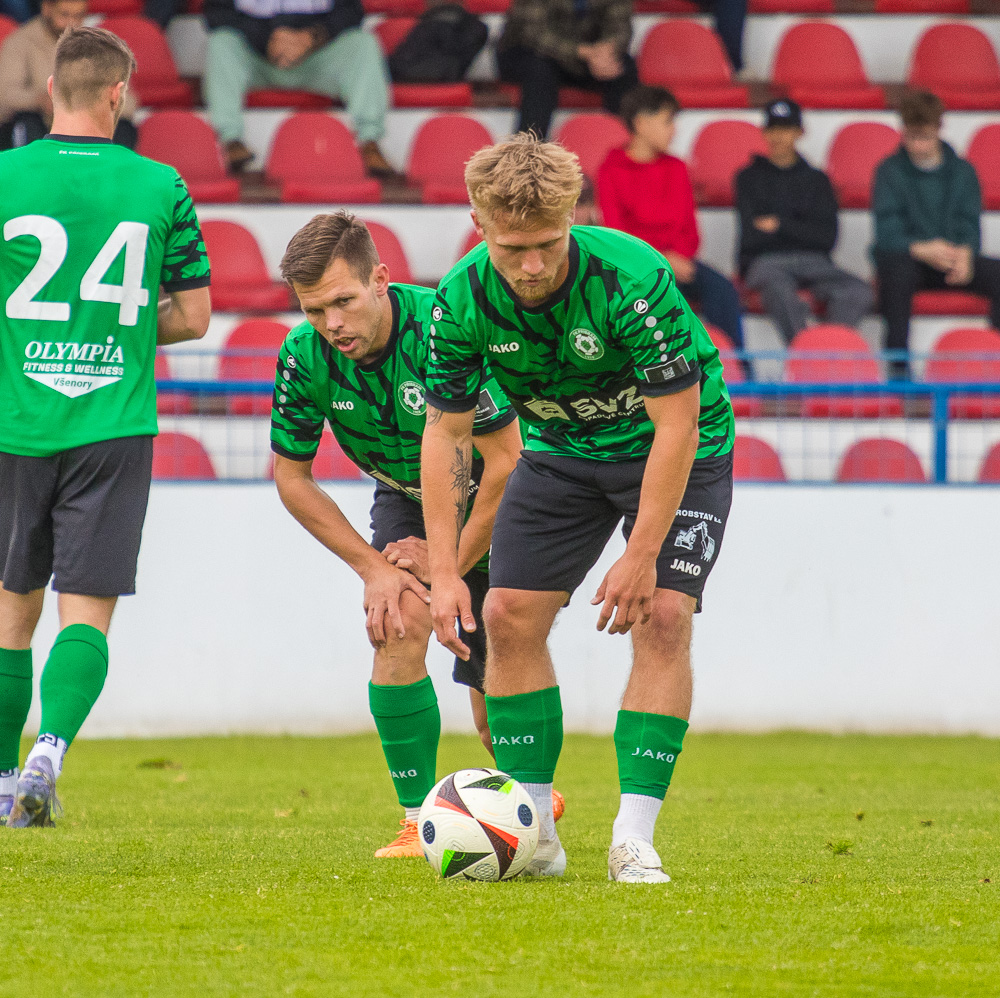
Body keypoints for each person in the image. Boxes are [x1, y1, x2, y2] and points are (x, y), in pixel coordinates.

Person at [420, 134, 734, 883]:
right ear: (478, 224)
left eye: (548, 245)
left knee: (664, 616)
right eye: (513, 249)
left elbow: (678, 426)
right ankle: (532, 835)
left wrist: (642, 553)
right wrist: (445, 569)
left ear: (575, 218)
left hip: (675, 450)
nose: (532, 266)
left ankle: (634, 837)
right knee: (505, 615)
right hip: (560, 452)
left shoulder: (633, 279)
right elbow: (447, 434)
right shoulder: (459, 300)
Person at [270, 212, 561, 858]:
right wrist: (375, 569)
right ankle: (414, 820)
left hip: (505, 496)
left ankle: (531, 802)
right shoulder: (302, 355)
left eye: (344, 301)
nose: (331, 324)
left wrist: (445, 562)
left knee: (494, 699)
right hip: (407, 499)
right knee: (396, 620)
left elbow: (508, 461)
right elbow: (291, 478)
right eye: (315, 310)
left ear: (380, 279)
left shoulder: (443, 327)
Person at [0, 26, 211, 827]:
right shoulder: (161, 184)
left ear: (51, 89)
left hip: (15, 424)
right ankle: (49, 754)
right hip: (113, 425)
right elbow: (194, 314)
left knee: (10, 615)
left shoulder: (5, 176)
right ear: (119, 94)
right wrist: (112, 334)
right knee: (84, 610)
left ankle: (2, 781)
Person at [598, 85, 745, 349]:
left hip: (680, 264)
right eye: (667, 121)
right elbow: (617, 236)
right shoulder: (610, 171)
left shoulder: (677, 168)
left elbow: (691, 231)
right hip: (636, 271)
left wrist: (677, 258)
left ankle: (735, 368)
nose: (674, 130)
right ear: (641, 124)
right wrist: (663, 260)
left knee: (723, 290)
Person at [873, 89, 1000, 380]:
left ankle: (994, 363)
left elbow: (969, 222)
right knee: (895, 275)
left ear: (939, 129)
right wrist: (920, 248)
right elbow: (886, 231)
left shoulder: (963, 171)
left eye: (925, 137)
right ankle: (899, 371)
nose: (918, 145)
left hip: (952, 261)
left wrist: (966, 253)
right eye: (912, 137)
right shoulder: (889, 171)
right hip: (908, 261)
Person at [735, 99, 873, 344]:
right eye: (773, 129)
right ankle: (805, 356)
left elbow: (827, 239)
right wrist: (803, 230)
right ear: (764, 132)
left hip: (813, 263)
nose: (778, 137)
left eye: (786, 129)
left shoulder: (818, 180)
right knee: (777, 288)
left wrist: (779, 225)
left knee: (858, 291)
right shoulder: (748, 178)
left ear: (799, 132)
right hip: (766, 264)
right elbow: (752, 238)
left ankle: (824, 352)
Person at [202, 0, 393, 176]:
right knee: (221, 42)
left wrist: (311, 37)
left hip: (316, 59)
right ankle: (230, 141)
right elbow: (216, 12)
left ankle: (369, 142)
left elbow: (351, 11)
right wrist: (268, 40)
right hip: (256, 59)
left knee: (363, 43)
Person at [0, 0, 138, 151]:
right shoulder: (20, 41)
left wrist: (96, 104)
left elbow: (129, 102)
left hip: (90, 126)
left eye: (78, 16)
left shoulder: (100, 45)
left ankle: (113, 166)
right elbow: (5, 95)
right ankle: (35, 165)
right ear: (46, 9)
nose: (71, 23)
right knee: (27, 121)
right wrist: (39, 100)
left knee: (124, 127)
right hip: (43, 124)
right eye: (64, 15)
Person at [497, 0, 637, 140]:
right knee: (540, 71)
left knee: (623, 68)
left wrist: (606, 50)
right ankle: (528, 146)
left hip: (589, 56)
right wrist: (582, 52)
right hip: (530, 52)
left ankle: (623, 144)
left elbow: (620, 28)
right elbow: (533, 33)